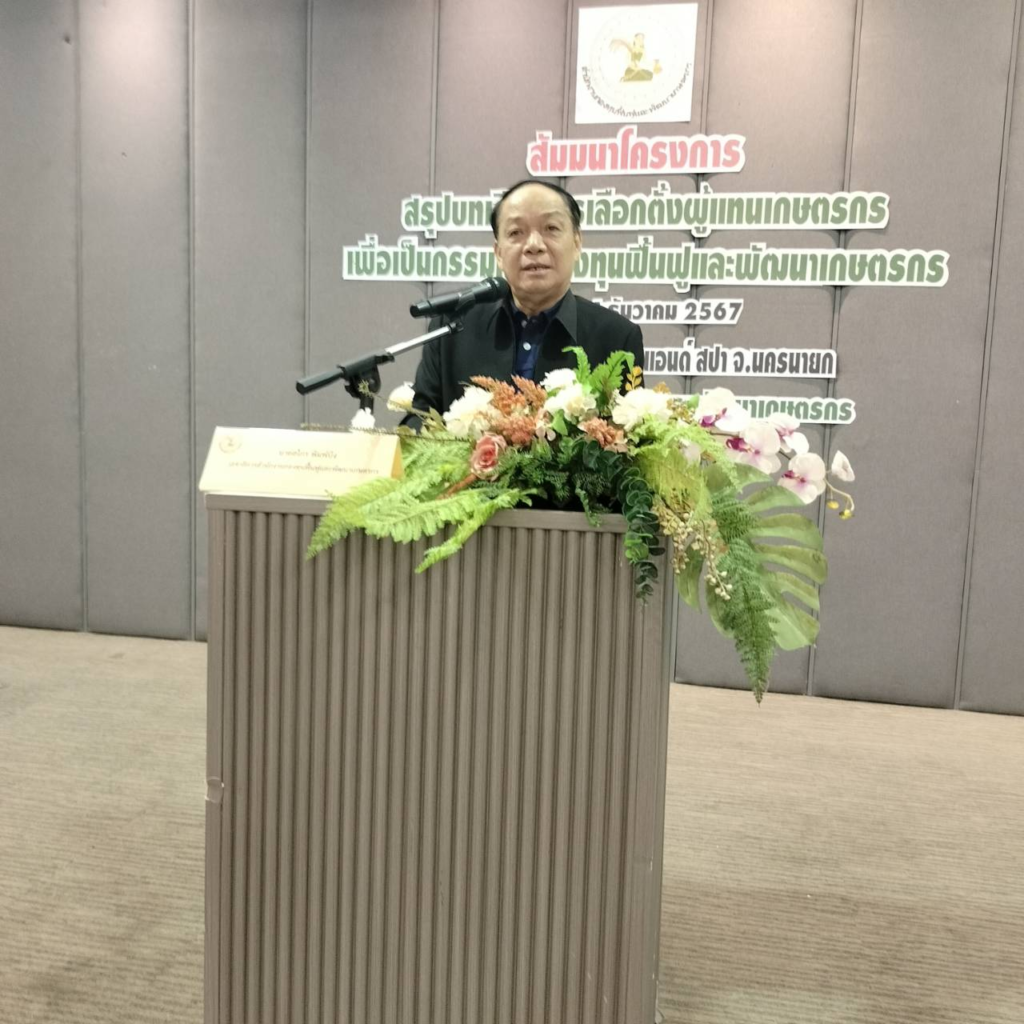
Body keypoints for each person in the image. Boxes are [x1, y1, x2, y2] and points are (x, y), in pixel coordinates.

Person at [405, 179, 643, 421]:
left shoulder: (617, 338)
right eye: (516, 233)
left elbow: (631, 436)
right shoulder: (452, 329)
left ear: (576, 243)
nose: (534, 245)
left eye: (551, 228)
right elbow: (418, 421)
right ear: (498, 252)